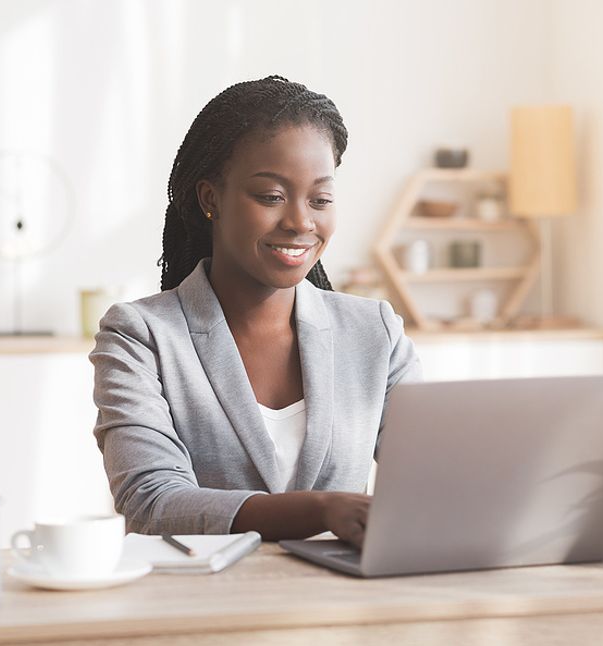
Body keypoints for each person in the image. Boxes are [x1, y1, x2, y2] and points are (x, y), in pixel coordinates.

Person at [90, 75, 421, 547]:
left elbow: (432, 479)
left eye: (320, 199)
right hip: (204, 606)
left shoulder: (375, 332)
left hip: (344, 604)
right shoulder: (141, 335)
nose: (301, 222)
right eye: (271, 196)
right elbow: (151, 501)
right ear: (211, 199)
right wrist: (321, 510)